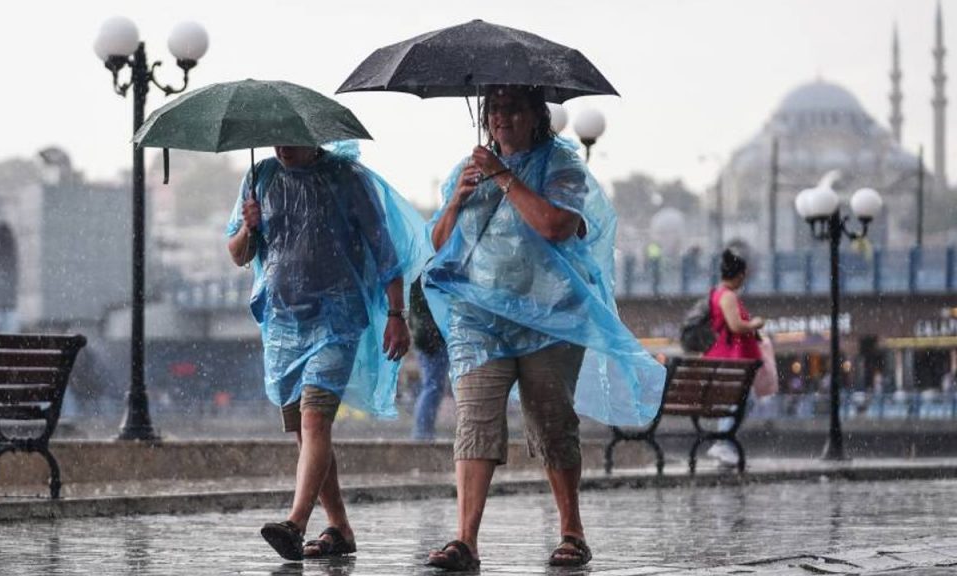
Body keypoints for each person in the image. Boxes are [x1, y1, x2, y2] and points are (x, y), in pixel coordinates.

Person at [422, 85, 666, 570]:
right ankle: (465, 540)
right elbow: (439, 240)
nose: (501, 117)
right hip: (478, 318)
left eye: (513, 108)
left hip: (548, 316)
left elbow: (556, 226)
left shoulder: (564, 167)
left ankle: (572, 529)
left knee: (551, 420)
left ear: (537, 115)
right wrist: (457, 200)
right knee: (475, 418)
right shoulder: (466, 168)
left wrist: (504, 178)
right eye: (494, 109)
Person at [226, 142, 427, 561]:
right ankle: (339, 527)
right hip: (283, 327)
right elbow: (239, 254)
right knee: (306, 432)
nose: (283, 148)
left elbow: (384, 251)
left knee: (316, 420)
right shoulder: (260, 177)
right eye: (277, 139)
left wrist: (396, 313)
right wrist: (249, 227)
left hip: (335, 320)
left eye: (292, 139)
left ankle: (294, 523)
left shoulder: (346, 179)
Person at [703, 249, 765, 466]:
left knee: (738, 402)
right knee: (740, 401)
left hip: (726, 356)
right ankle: (723, 444)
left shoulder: (718, 293)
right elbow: (735, 326)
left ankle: (724, 445)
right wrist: (755, 324)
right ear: (738, 276)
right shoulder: (727, 296)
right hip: (730, 357)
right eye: (743, 276)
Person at [409, 278, 450, 441]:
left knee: (433, 385)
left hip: (424, 334)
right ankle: (422, 434)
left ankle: (424, 432)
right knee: (433, 385)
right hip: (431, 336)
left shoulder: (415, 272)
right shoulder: (426, 273)